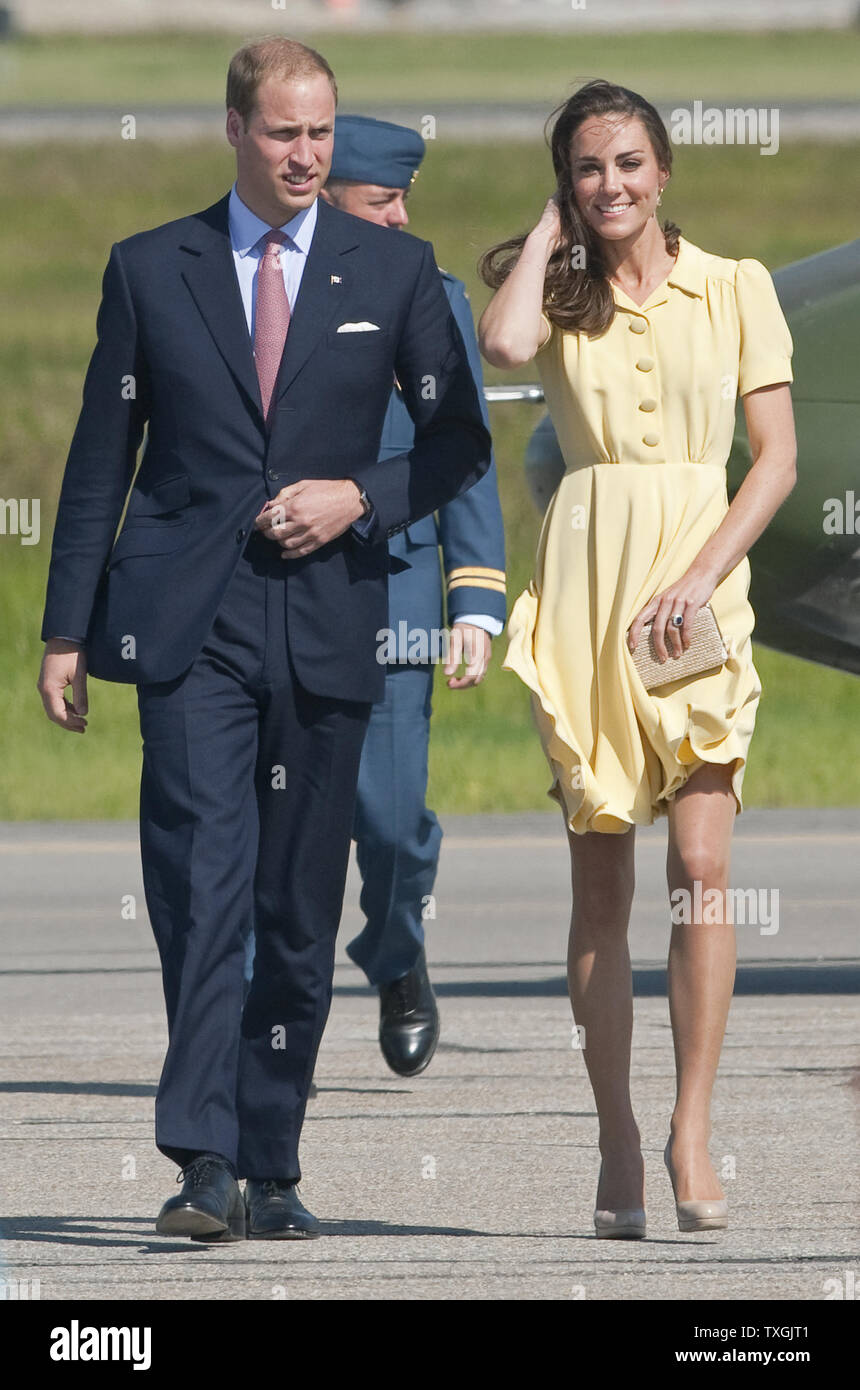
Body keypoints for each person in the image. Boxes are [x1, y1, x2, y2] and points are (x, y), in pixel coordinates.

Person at [37, 36, 489, 1243]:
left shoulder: (392, 271)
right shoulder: (150, 268)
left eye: (321, 134)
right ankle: (200, 1158)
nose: (306, 155)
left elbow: (456, 448)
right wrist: (64, 628)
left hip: (331, 616)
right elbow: (98, 465)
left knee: (295, 906)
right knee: (202, 885)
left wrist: (362, 496)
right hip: (192, 627)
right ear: (234, 129)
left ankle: (271, 1158)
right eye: (285, 133)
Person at [478, 80, 795, 1238]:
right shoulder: (554, 297)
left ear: (663, 170)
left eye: (626, 164)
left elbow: (771, 459)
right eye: (584, 170)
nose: (609, 184)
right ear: (564, 184)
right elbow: (500, 342)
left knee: (702, 865)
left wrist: (699, 575)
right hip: (586, 594)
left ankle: (689, 1126)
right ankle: (614, 1133)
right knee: (600, 882)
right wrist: (554, 233)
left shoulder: (737, 288)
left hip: (695, 588)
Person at [321, 115, 506, 1076]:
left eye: (404, 198)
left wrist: (474, 596)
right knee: (284, 816)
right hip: (287, 586)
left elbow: (463, 453)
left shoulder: (432, 294)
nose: (402, 216)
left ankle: (397, 955)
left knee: (390, 819)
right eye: (381, 199)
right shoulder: (264, 292)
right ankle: (268, 1024)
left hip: (395, 591)